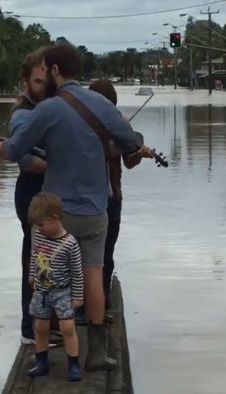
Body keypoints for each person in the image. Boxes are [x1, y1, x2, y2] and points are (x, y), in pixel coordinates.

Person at [0, 44, 153, 371]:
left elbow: (14, 151)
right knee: (94, 275)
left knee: (47, 279)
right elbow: (130, 141)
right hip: (96, 210)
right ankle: (96, 352)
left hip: (56, 215)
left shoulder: (47, 110)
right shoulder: (102, 105)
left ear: (54, 70)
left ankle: (45, 352)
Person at [87, 80, 144, 317]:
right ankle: (86, 305)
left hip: (114, 197)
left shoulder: (119, 126)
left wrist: (137, 150)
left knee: (107, 252)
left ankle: (104, 301)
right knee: (89, 255)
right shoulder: (82, 127)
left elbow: (130, 162)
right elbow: (105, 150)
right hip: (90, 197)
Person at [12, 48, 49, 345]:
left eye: (46, 79)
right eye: (38, 80)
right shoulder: (22, 113)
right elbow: (26, 161)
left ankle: (46, 324)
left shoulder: (47, 106)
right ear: (25, 80)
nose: (42, 85)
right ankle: (29, 329)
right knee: (35, 262)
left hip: (48, 191)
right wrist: (60, 163)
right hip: (31, 192)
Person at [26, 192, 83, 381]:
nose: (39, 229)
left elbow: (77, 272)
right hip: (42, 291)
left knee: (67, 327)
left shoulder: (70, 244)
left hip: (62, 292)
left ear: (55, 219)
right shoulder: (39, 236)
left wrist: (77, 296)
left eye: (42, 225)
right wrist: (32, 276)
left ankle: (73, 363)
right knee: (40, 326)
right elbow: (34, 256)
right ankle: (42, 361)